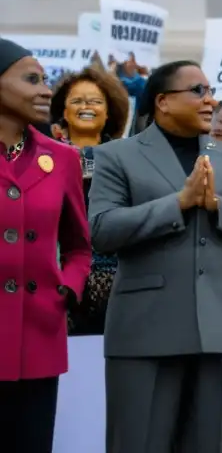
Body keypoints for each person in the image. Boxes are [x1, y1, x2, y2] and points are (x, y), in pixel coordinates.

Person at [88, 60, 222, 453]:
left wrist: (217, 206)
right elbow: (102, 230)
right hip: (145, 331)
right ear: (162, 101)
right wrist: (178, 204)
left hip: (219, 331)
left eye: (211, 91)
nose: (211, 100)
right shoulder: (117, 156)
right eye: (198, 91)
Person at [0, 38, 92, 452]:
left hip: (38, 335)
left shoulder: (63, 159)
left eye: (45, 80)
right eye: (31, 79)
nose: (46, 89)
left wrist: (64, 290)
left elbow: (79, 247)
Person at [49, 66, 132, 335]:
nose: (86, 106)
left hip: (119, 281)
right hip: (58, 280)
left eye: (95, 101)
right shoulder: (41, 157)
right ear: (63, 111)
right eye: (77, 101)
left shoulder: (129, 159)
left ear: (109, 112)